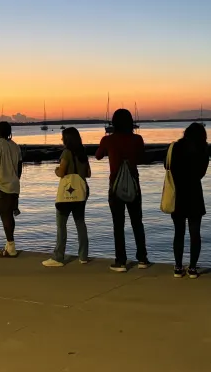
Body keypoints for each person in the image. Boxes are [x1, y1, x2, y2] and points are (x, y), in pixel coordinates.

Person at [95, 108, 150, 272]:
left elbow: (98, 155)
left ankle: (121, 261)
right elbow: (141, 158)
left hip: (115, 187)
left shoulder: (108, 140)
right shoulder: (137, 139)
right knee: (137, 222)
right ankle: (142, 259)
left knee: (118, 224)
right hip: (134, 184)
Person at [43, 127, 91, 267]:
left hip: (67, 194)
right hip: (81, 191)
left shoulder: (66, 153)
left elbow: (62, 171)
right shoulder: (83, 152)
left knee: (61, 225)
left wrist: (56, 170)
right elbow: (88, 173)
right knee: (80, 223)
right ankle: (83, 256)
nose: (61, 139)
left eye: (63, 137)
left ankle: (58, 257)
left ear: (67, 139)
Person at [167, 123, 209, 279]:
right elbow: (201, 173)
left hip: (178, 194)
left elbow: (167, 166)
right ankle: (192, 268)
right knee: (195, 233)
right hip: (195, 194)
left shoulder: (175, 147)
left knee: (178, 233)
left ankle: (178, 267)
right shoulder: (203, 150)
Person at [0, 121, 22, 257]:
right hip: (14, 185)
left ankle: (11, 246)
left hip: (2, 185)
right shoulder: (15, 146)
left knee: (5, 215)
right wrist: (16, 178)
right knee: (9, 215)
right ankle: (9, 245)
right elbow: (20, 165)